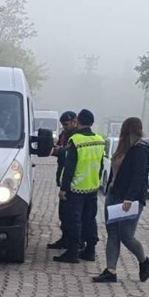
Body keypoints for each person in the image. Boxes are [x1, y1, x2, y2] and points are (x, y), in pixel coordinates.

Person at [94, 118, 149, 283]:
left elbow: (138, 177)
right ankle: (110, 271)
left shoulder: (140, 151)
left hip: (130, 199)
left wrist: (130, 197)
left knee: (127, 236)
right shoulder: (121, 149)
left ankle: (143, 261)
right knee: (113, 234)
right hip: (113, 195)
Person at [55, 108, 105, 264]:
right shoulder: (99, 139)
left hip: (76, 188)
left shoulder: (75, 140)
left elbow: (70, 167)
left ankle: (72, 252)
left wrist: (64, 188)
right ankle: (90, 250)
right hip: (92, 187)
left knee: (73, 220)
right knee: (89, 219)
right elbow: (101, 164)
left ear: (78, 121)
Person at [46, 111, 79, 250]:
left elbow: (70, 153)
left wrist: (62, 150)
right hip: (63, 175)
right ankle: (65, 239)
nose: (64, 127)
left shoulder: (78, 137)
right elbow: (59, 152)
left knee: (74, 217)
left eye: (66, 124)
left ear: (74, 121)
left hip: (75, 181)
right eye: (63, 125)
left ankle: (75, 243)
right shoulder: (63, 135)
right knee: (63, 214)